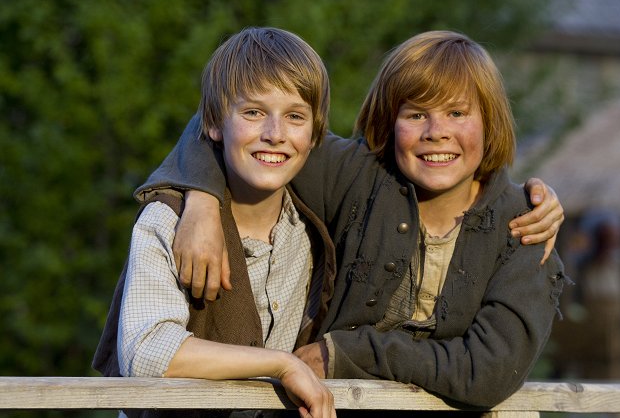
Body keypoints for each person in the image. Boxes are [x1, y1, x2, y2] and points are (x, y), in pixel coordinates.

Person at [136, 30, 566, 408]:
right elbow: (230, 124)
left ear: (490, 124)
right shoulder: (357, 175)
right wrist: (203, 202)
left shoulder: (525, 227)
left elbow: (489, 371)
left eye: (457, 113)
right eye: (416, 114)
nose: (437, 131)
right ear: (390, 120)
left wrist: (347, 352)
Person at [93, 27, 337, 418]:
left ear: (314, 134)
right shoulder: (167, 220)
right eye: (253, 112)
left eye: (294, 116)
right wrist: (281, 363)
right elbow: (147, 352)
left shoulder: (313, 226)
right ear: (214, 125)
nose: (275, 134)